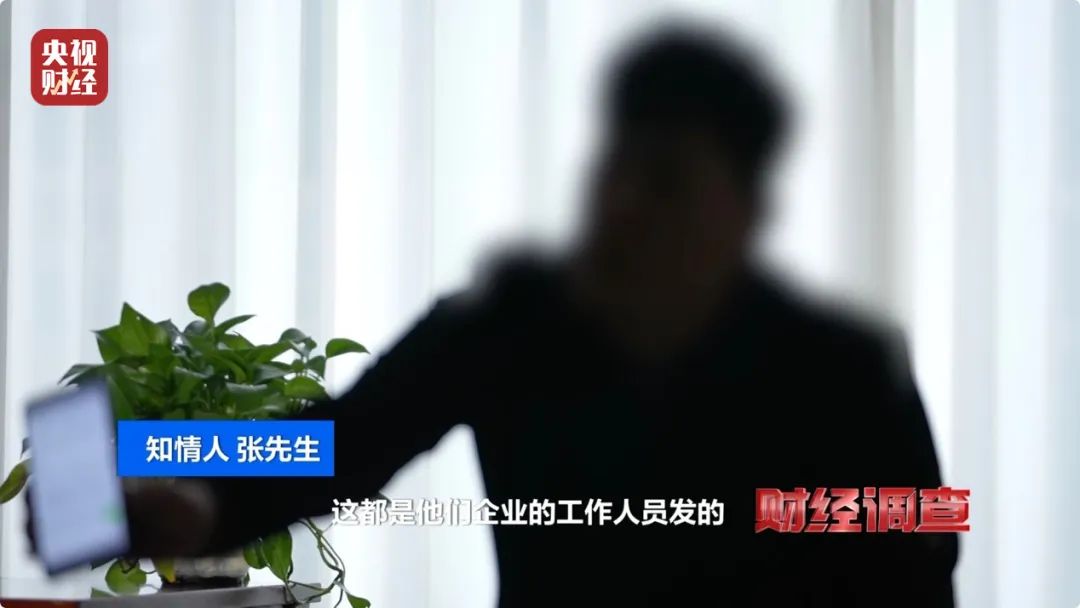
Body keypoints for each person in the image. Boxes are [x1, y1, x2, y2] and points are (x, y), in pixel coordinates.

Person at [59, 23, 959, 607]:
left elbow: (919, 559)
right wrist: (198, 502)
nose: (628, 205)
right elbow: (342, 442)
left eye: (669, 181)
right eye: (619, 170)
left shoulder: (844, 366)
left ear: (746, 210)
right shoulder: (511, 324)